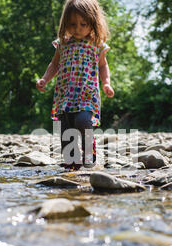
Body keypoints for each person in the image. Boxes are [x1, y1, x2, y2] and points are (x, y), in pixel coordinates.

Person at [36, 0, 114, 170]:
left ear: (93, 22)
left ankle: (88, 152)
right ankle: (71, 161)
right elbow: (54, 64)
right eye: (72, 24)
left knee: (83, 120)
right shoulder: (62, 43)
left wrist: (106, 82)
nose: (77, 28)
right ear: (65, 23)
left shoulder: (96, 44)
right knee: (65, 129)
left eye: (83, 24)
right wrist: (44, 79)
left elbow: (103, 65)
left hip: (87, 94)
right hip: (65, 96)